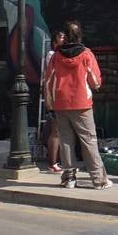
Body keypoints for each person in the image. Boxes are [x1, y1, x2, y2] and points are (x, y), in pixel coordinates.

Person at [43, 21, 111, 189]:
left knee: (65, 140)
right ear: (80, 35)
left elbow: (49, 79)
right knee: (89, 140)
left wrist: (50, 102)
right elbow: (95, 81)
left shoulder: (56, 56)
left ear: (65, 36)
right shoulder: (86, 54)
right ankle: (99, 180)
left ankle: (69, 178)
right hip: (82, 103)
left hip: (61, 103)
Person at [43, 31, 67, 173]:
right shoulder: (52, 55)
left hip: (63, 97)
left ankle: (59, 160)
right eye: (60, 37)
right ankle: (52, 162)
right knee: (56, 130)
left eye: (65, 36)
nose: (63, 39)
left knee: (62, 131)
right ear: (55, 42)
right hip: (55, 96)